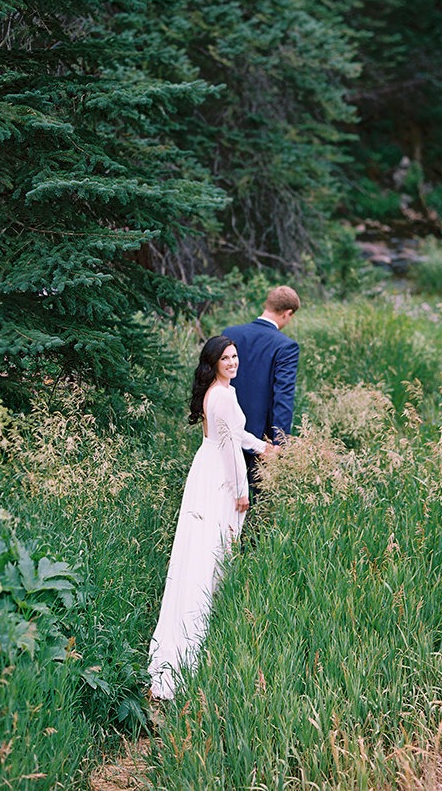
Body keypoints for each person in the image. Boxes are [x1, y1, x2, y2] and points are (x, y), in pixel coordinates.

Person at [148, 335, 275, 701]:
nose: (233, 362)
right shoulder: (222, 395)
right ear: (213, 362)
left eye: (235, 356)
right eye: (225, 358)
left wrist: (264, 447)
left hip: (205, 468)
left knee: (201, 550)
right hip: (219, 476)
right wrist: (242, 491)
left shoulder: (216, 392)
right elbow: (230, 448)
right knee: (210, 553)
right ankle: (189, 650)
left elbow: (234, 436)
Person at [222, 285, 300, 500]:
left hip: (224, 427)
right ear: (288, 313)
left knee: (224, 496)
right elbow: (283, 396)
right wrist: (280, 443)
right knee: (259, 503)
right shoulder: (286, 346)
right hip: (260, 437)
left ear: (267, 305)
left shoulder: (230, 334)